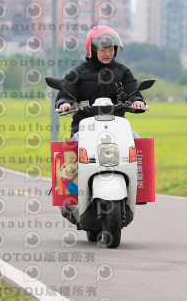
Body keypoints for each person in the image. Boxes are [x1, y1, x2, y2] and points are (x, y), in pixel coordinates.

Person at [55, 25, 146, 225]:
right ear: (92, 49)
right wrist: (64, 103)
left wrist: (137, 101)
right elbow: (65, 93)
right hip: (84, 127)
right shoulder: (77, 73)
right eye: (103, 49)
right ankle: (67, 196)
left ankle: (140, 190)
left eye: (111, 49)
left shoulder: (123, 72)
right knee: (71, 147)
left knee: (137, 139)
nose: (108, 53)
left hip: (117, 127)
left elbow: (133, 91)